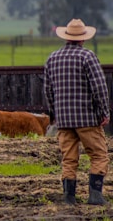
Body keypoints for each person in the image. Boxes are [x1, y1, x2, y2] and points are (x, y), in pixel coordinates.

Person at [43, 18, 110, 205]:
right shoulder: (88, 57)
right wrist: (104, 111)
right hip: (87, 118)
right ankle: (95, 195)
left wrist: (54, 115)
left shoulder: (52, 58)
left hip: (64, 120)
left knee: (69, 158)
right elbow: (99, 88)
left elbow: (48, 91)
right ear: (83, 38)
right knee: (98, 155)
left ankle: (69, 197)